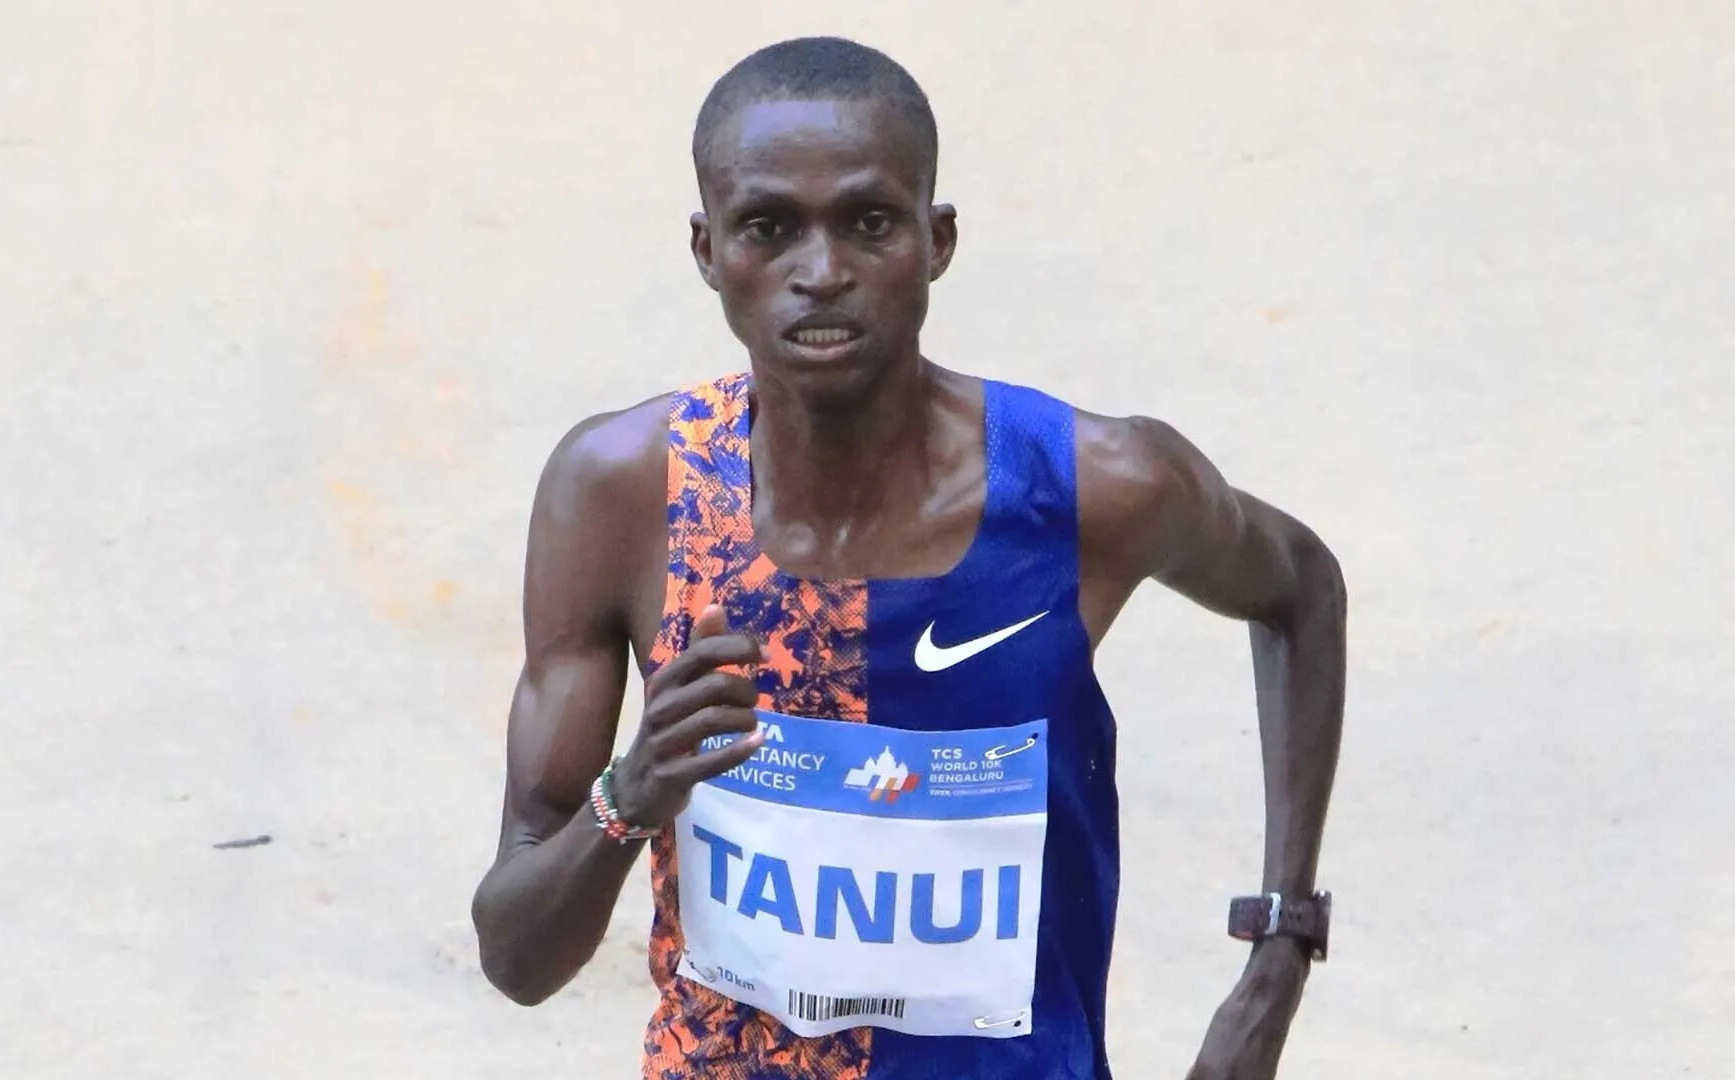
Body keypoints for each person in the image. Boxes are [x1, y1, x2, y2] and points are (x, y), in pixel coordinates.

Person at [470, 35, 1346, 1080]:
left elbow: (1303, 592)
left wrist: (1276, 959)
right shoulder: (625, 497)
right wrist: (632, 792)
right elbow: (516, 957)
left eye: (869, 222)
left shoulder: (1091, 487)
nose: (821, 273)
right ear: (708, 252)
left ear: (937, 240)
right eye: (769, 228)